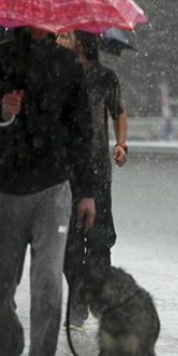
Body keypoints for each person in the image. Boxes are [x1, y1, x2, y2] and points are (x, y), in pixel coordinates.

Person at [0, 26, 95, 356]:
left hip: (54, 190)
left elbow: (81, 131)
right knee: (2, 288)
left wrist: (86, 191)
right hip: (3, 190)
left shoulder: (68, 64)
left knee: (49, 284)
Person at [56, 30, 129, 331]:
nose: (59, 39)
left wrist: (122, 144)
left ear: (83, 41)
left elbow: (119, 113)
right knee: (70, 241)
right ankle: (76, 301)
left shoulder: (104, 77)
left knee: (99, 238)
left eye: (65, 35)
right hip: (62, 169)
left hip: (97, 168)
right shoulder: (54, 74)